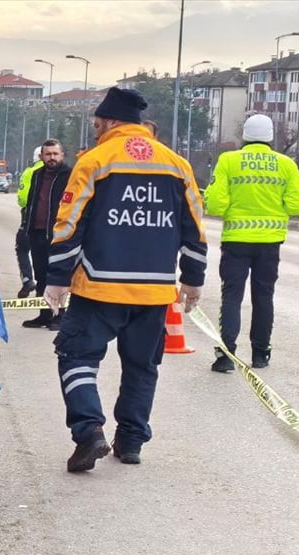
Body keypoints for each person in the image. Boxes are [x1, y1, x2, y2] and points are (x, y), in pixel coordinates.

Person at [44, 87, 207, 472]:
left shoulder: (96, 160)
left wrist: (57, 278)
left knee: (76, 356)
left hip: (99, 286)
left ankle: (89, 431)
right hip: (154, 290)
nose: (96, 130)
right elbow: (195, 226)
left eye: (97, 123)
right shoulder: (176, 164)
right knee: (141, 366)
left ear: (110, 121)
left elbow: (69, 224)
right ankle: (130, 441)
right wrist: (193, 279)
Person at [203, 114, 299, 372]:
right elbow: (296, 205)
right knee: (264, 297)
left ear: (245, 135)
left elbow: (215, 204)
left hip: (236, 241)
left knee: (232, 297)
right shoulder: (286, 164)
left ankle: (225, 355)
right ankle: (261, 354)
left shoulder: (228, 161)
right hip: (270, 243)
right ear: (271, 136)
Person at [20, 139, 72, 330]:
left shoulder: (70, 175)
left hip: (60, 235)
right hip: (38, 233)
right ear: (41, 156)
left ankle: (60, 316)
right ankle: (44, 314)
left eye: (55, 154)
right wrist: (27, 227)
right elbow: (33, 202)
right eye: (48, 154)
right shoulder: (37, 175)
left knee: (59, 276)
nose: (51, 158)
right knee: (41, 275)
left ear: (62, 155)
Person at [13, 147, 44, 297]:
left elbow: (23, 199)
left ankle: (27, 279)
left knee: (22, 248)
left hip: (30, 219)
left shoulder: (29, 172)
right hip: (55, 221)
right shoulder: (60, 172)